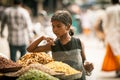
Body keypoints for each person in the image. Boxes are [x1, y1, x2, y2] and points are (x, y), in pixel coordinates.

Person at [27, 10, 94, 80]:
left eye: (58, 26)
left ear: (67, 27)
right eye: (53, 26)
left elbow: (84, 60)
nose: (55, 30)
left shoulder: (78, 42)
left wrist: (87, 64)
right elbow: (30, 49)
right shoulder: (53, 44)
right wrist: (42, 38)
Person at [102, 0, 120, 77]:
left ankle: (118, 69)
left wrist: (105, 33)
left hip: (112, 34)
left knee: (116, 52)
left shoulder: (109, 10)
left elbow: (105, 24)